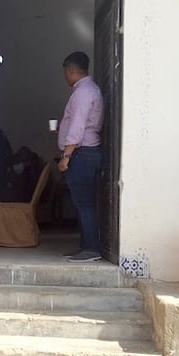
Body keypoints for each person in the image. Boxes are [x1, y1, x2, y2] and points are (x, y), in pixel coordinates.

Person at [57, 52, 105, 263]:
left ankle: (92, 248)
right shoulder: (88, 90)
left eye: (65, 73)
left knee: (84, 203)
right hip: (85, 152)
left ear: (71, 70)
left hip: (82, 153)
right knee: (83, 202)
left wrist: (66, 156)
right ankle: (86, 246)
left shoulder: (83, 93)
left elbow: (77, 127)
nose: (65, 77)